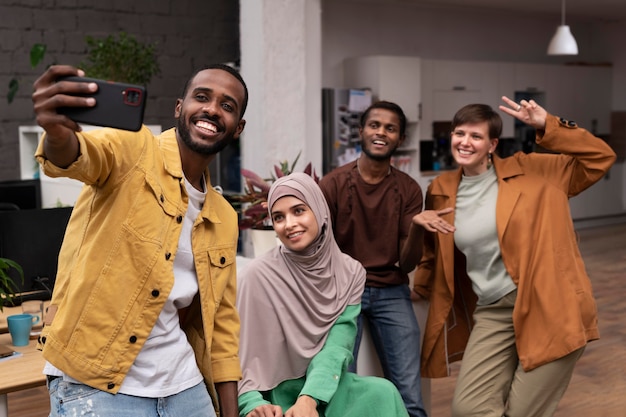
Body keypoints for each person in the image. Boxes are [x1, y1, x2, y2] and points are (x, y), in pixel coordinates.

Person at [31, 63, 248, 417]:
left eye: (227, 105)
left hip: (184, 386)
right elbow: (78, 156)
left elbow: (222, 329)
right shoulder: (133, 148)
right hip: (95, 380)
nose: (211, 109)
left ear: (237, 127)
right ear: (180, 108)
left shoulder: (223, 216)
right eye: (202, 97)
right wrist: (56, 133)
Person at [412, 97, 616, 417]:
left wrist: (547, 124)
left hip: (549, 304)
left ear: (492, 144)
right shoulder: (441, 187)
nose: (465, 142)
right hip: (493, 311)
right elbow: (435, 252)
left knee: (522, 412)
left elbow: (601, 157)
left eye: (476, 136)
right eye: (459, 133)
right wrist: (418, 290)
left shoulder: (534, 170)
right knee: (468, 409)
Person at [237, 172, 409, 417]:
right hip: (270, 394)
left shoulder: (350, 272)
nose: (289, 224)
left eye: (299, 211)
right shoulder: (255, 276)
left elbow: (338, 346)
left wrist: (310, 398)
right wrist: (251, 403)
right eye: (279, 217)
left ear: (319, 210)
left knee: (383, 393)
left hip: (324, 385)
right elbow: (237, 356)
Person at [319, 101, 428, 417]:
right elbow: (321, 250)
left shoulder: (408, 189)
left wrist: (418, 230)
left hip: (391, 290)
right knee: (337, 386)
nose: (381, 132)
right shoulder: (333, 184)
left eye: (390, 128)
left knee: (409, 395)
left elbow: (407, 263)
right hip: (342, 291)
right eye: (374, 125)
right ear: (361, 131)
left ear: (400, 138)